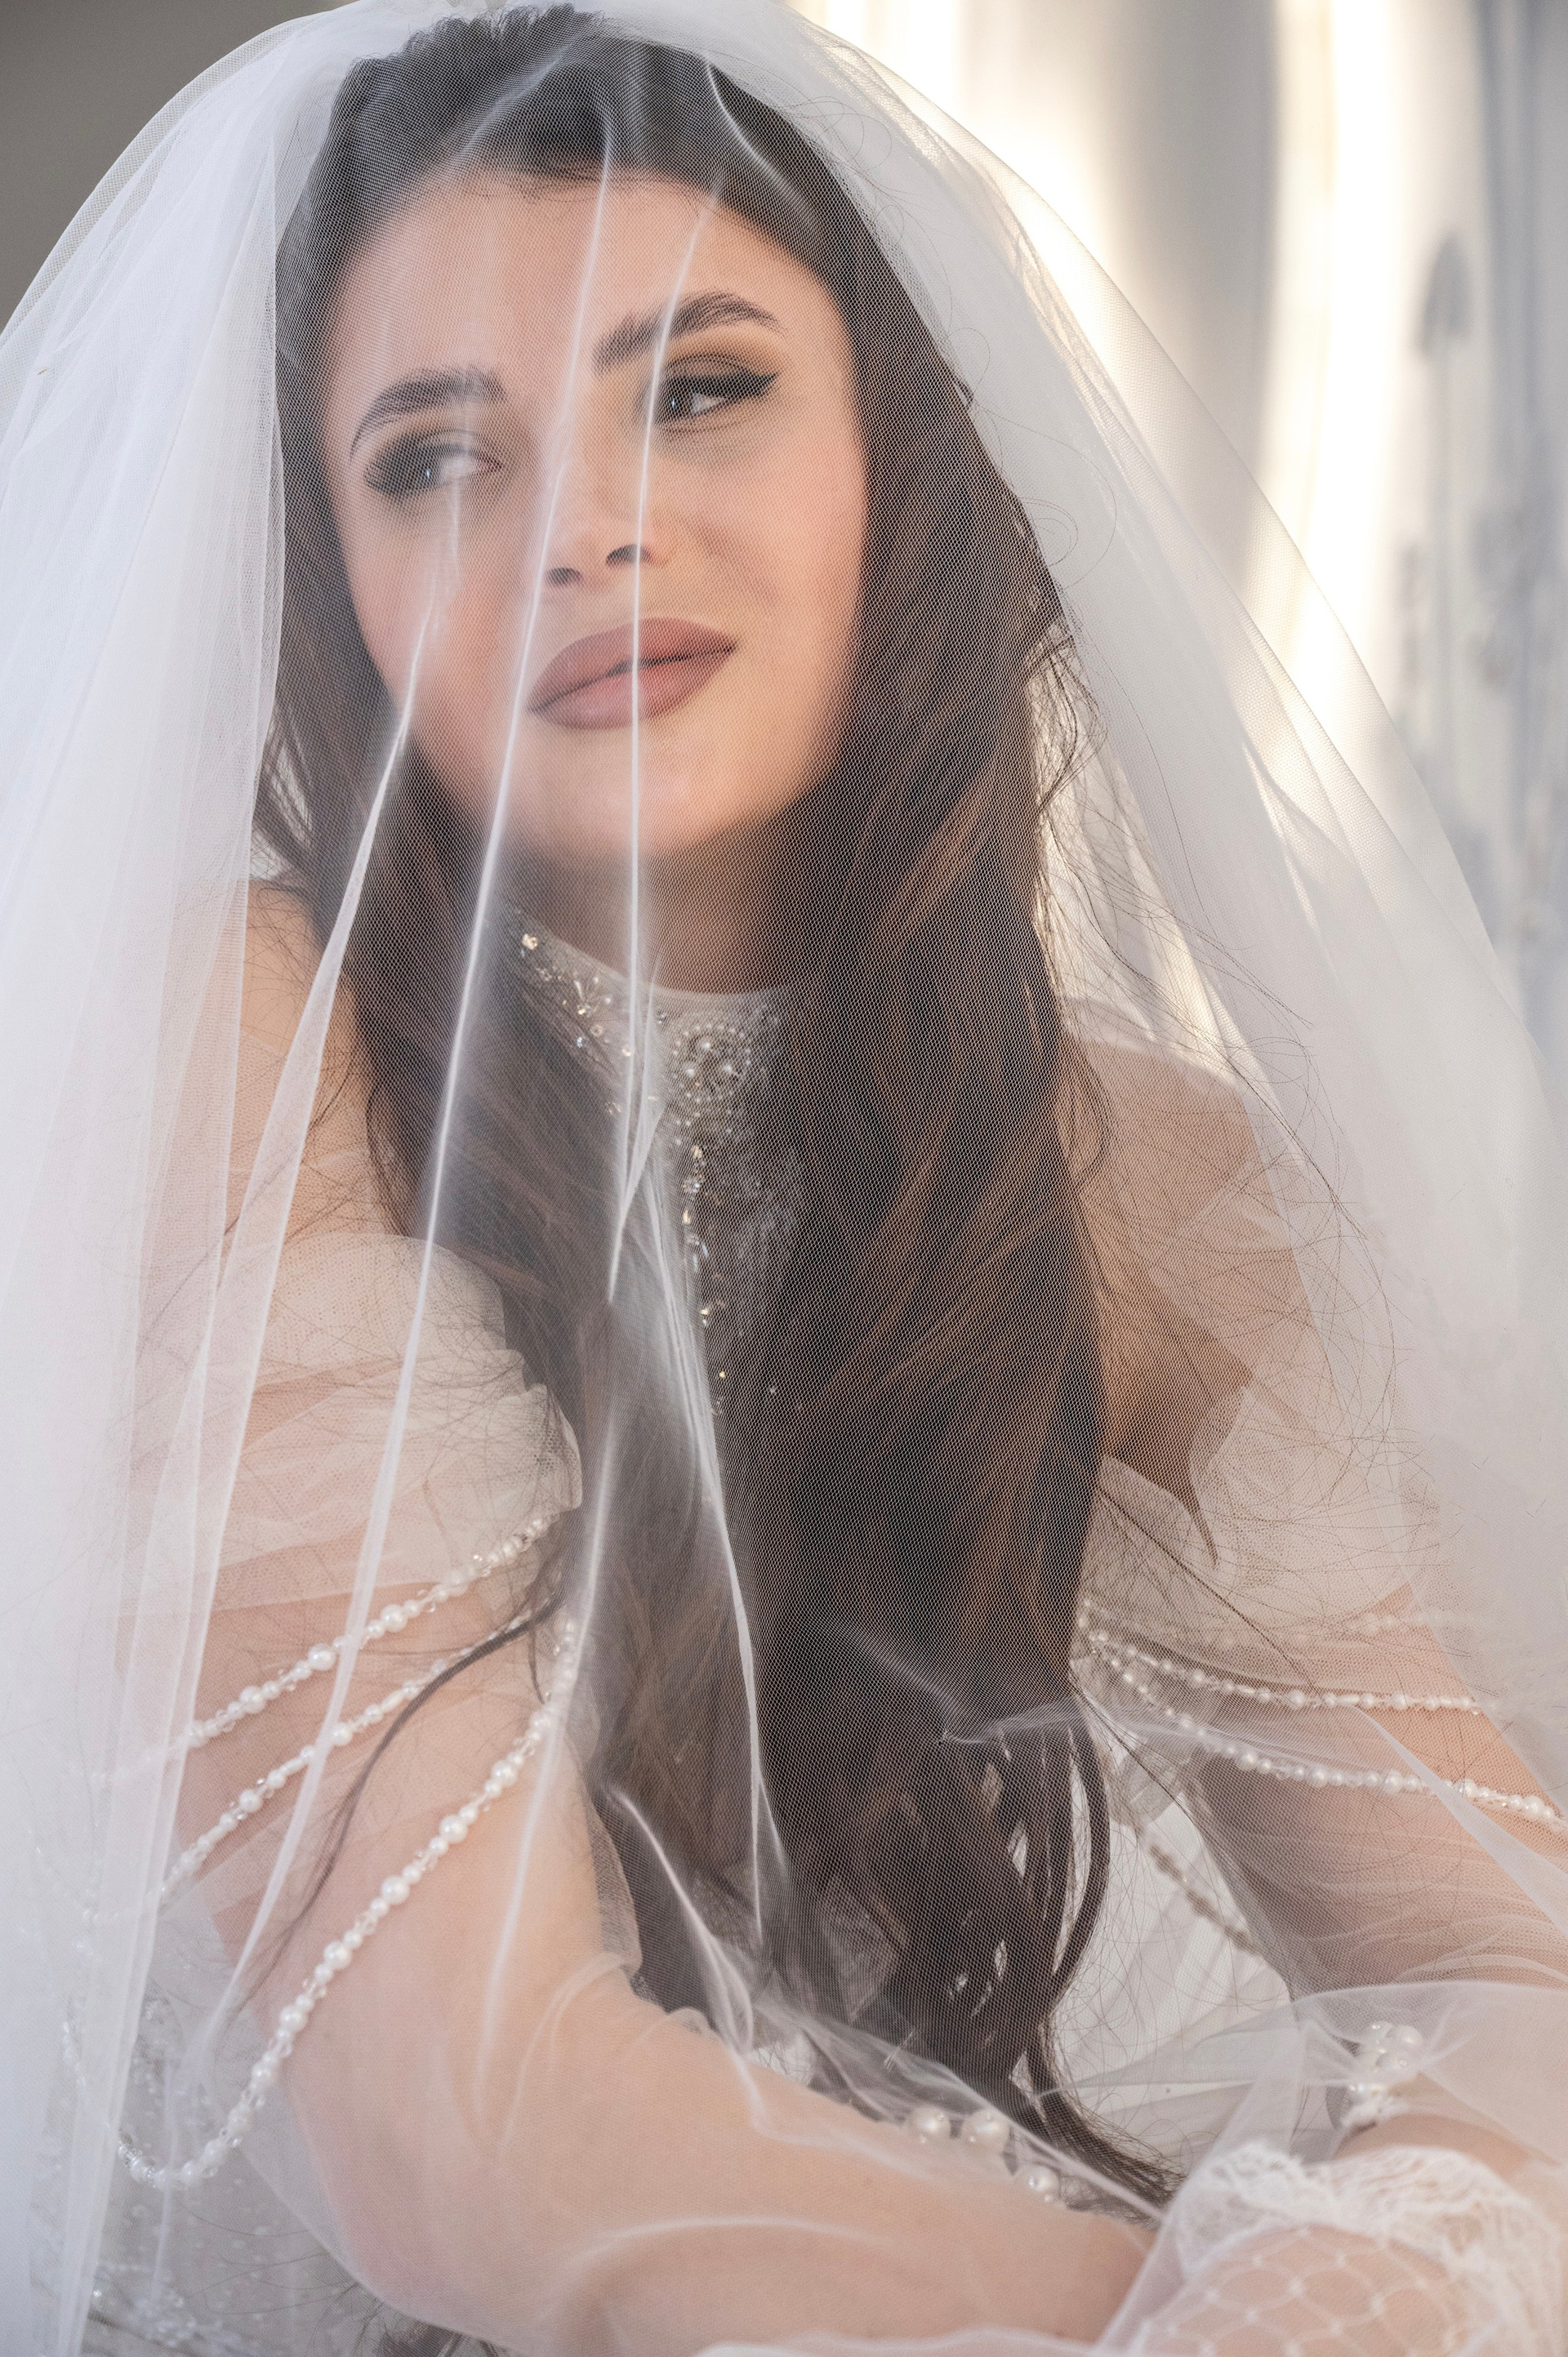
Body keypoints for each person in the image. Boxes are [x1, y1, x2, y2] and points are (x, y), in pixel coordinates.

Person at [5, 5, 1568, 2352]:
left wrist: (1373, 2272)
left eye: (702, 388)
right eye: (435, 458)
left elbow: (1503, 1964)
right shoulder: (238, 1051)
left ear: (907, 458)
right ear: (330, 587)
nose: (586, 531)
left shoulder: (1134, 1177)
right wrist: (1214, 2325)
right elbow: (466, 2129)